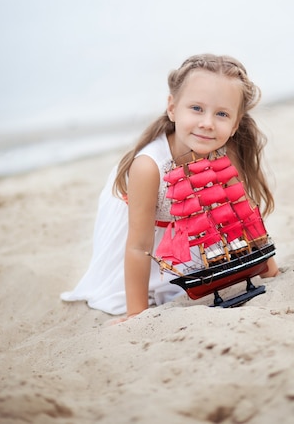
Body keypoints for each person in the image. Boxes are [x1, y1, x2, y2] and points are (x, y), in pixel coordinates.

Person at [61, 54, 279, 321]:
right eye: (196, 108)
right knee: (122, 295)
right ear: (173, 108)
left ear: (235, 124)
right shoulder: (148, 167)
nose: (207, 123)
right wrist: (137, 314)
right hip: (140, 238)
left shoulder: (225, 151)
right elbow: (138, 246)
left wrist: (269, 268)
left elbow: (240, 216)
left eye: (221, 114)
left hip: (188, 233)